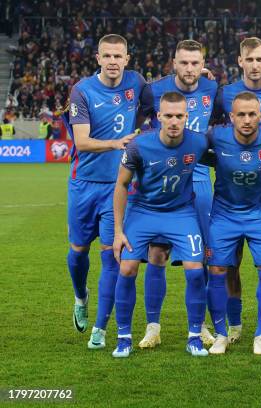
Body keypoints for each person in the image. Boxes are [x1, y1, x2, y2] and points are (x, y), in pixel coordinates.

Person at [111, 91, 209, 358]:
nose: (174, 121)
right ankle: (123, 337)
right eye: (168, 116)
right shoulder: (139, 146)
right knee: (128, 267)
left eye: (179, 116)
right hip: (144, 211)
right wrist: (118, 231)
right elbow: (121, 184)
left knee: (195, 270)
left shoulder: (199, 142)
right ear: (158, 117)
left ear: (187, 117)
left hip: (181, 213)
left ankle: (194, 337)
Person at [64, 34, 146, 350]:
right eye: (107, 56)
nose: (113, 61)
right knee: (78, 252)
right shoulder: (82, 91)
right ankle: (81, 296)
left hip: (118, 188)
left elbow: (168, 92)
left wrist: (203, 73)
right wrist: (116, 143)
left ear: (127, 58)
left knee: (112, 258)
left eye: (118, 56)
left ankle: (100, 328)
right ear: (98, 58)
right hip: (84, 184)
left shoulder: (137, 83)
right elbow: (81, 141)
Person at [137, 39, 218, 349]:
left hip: (198, 181)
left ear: (203, 65)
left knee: (202, 259)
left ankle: (201, 325)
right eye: (183, 63)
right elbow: (138, 126)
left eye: (195, 63)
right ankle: (152, 327)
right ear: (173, 63)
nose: (189, 68)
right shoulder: (153, 90)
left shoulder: (212, 89)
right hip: (160, 181)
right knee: (157, 254)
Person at [212, 37, 261, 345]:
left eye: (260, 59)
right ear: (240, 61)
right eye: (250, 59)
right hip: (231, 185)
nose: (255, 65)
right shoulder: (224, 93)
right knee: (231, 260)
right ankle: (234, 323)